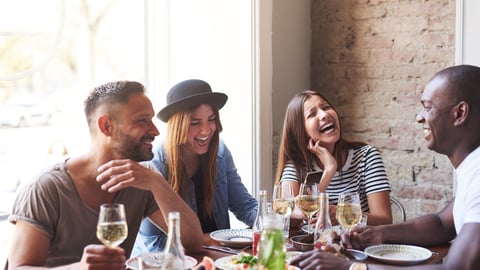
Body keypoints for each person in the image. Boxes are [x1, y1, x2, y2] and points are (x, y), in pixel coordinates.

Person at [291, 64, 480, 270]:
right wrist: (379, 233)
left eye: (427, 107)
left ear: (460, 113)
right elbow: (442, 224)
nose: (419, 117)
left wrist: (350, 267)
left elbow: (458, 268)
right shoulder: (472, 169)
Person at [6, 81, 203, 269]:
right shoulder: (47, 188)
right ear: (106, 127)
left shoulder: (142, 180)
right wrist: (79, 268)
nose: (156, 131)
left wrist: (157, 183)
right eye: (142, 120)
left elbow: (193, 242)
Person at [133, 79, 258, 255]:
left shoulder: (220, 153)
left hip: (218, 258)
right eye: (195, 122)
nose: (206, 131)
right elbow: (156, 243)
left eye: (211, 119)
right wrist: (215, 243)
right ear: (178, 125)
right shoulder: (153, 166)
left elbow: (245, 206)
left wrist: (281, 217)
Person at [276, 90, 392, 226]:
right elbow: (285, 218)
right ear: (300, 130)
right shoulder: (296, 165)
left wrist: (342, 214)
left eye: (326, 107)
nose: (324, 115)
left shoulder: (366, 157)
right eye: (312, 114)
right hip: (312, 245)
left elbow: (385, 220)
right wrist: (329, 171)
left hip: (356, 244)